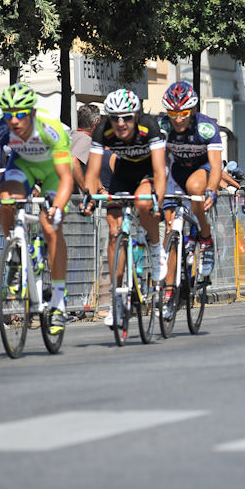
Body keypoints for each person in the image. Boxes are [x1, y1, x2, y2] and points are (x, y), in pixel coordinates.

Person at [80, 89, 167, 326]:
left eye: (126, 117)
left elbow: (160, 171)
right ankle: (117, 299)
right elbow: (93, 171)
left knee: (143, 201)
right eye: (115, 117)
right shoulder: (103, 131)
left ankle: (157, 248)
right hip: (123, 174)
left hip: (148, 172)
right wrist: (88, 196)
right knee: (113, 230)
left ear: (136, 116)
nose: (120, 123)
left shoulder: (150, 127)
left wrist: (157, 199)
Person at [0, 83, 75, 333]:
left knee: (51, 227)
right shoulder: (1, 128)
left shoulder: (50, 128)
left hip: (53, 171)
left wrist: (58, 208)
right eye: (9, 115)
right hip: (24, 167)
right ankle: (14, 250)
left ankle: (59, 303)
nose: (14, 120)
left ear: (32, 113)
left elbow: (66, 177)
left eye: (20, 114)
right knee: (7, 199)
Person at [157, 81, 223, 280]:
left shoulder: (206, 127)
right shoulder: (162, 126)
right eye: (173, 113)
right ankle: (169, 291)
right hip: (178, 170)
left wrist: (211, 189)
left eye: (183, 113)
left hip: (202, 169)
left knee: (195, 189)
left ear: (193, 109)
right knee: (169, 229)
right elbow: (158, 162)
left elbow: (217, 165)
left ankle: (205, 236)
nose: (177, 119)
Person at [70, 104, 100, 192]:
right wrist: (85, 190)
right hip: (73, 199)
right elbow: (73, 161)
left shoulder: (71, 135)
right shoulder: (86, 141)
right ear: (96, 122)